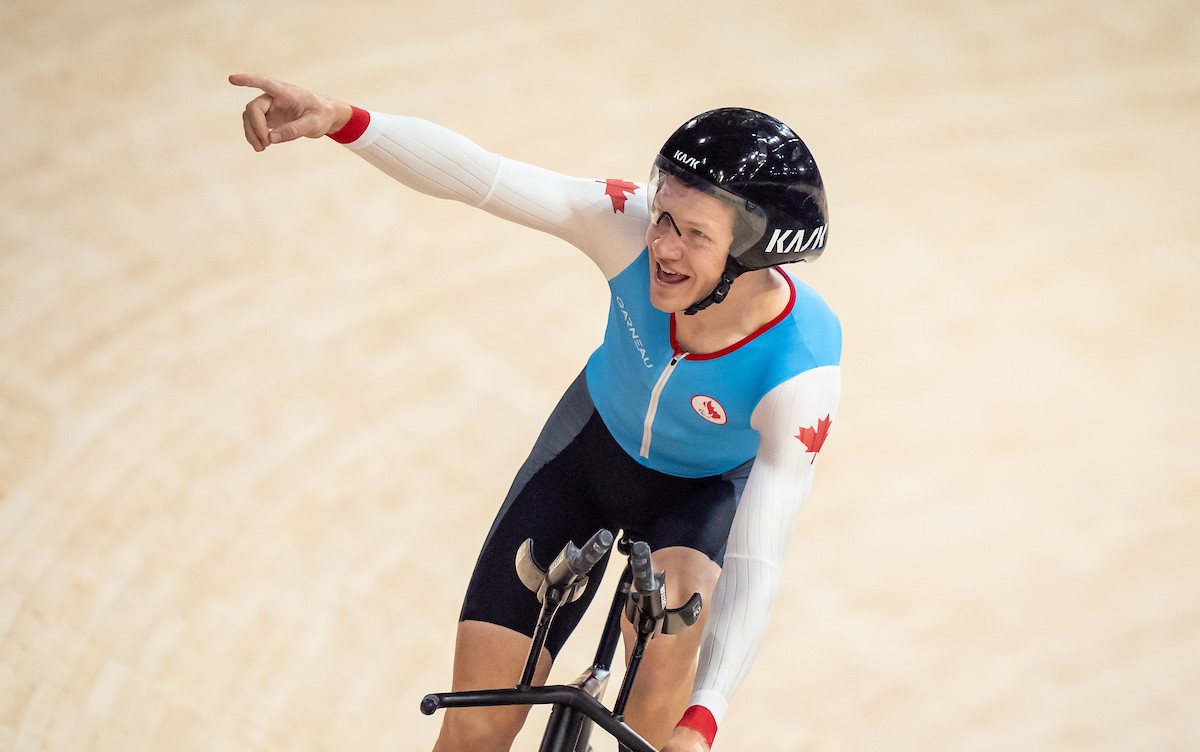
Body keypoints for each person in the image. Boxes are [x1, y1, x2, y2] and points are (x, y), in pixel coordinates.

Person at [230, 73, 842, 752]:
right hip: (588, 458)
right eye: (663, 215)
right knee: (476, 726)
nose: (663, 245)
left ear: (753, 257)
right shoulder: (627, 230)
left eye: (695, 233)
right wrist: (339, 117)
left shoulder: (802, 370)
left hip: (695, 502)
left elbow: (758, 558)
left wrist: (705, 717)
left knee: (667, 637)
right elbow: (482, 177)